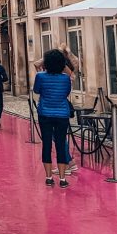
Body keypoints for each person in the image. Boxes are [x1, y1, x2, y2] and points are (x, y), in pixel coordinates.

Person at [33, 49, 72, 188]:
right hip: (62, 114)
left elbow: (37, 90)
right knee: (61, 144)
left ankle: (49, 177)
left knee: (47, 144)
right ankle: (62, 179)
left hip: (45, 113)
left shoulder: (40, 77)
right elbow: (67, 92)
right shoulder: (65, 78)